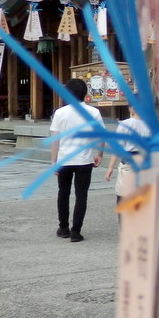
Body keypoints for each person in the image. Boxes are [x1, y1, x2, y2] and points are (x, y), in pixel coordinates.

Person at [50, 78, 103, 242]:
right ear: (85, 94)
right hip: (84, 160)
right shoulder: (93, 112)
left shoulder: (60, 112)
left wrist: (54, 161)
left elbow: (55, 139)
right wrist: (99, 154)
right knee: (81, 196)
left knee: (63, 193)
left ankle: (63, 228)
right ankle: (76, 231)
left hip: (64, 159)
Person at [104, 107, 149, 207]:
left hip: (128, 163)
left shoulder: (125, 124)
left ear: (132, 108)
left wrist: (110, 167)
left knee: (123, 196)